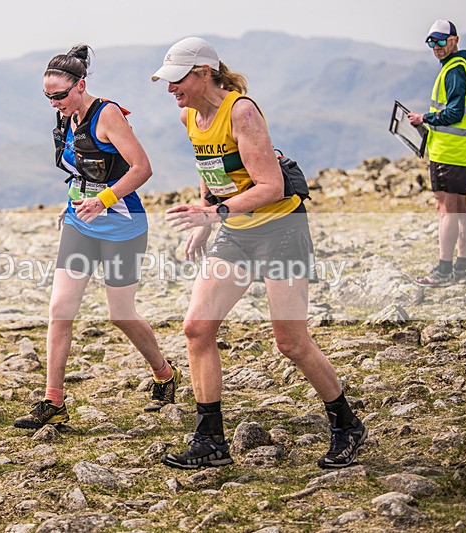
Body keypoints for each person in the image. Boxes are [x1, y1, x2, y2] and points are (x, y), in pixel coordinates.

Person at [151, 37, 367, 470]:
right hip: (237, 232)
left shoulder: (242, 111)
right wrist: (207, 217)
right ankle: (211, 441)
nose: (170, 88)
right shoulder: (189, 114)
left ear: (202, 74)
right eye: (166, 80)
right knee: (196, 329)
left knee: (290, 341)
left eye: (176, 80)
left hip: (281, 231)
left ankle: (347, 424)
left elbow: (271, 186)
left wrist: (213, 214)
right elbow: (208, 166)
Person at [13, 44, 180, 429]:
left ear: (80, 85)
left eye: (59, 95)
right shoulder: (65, 118)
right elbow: (80, 171)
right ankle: (54, 401)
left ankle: (164, 373)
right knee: (60, 310)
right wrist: (73, 202)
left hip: (123, 226)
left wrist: (103, 200)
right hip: (79, 224)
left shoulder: (107, 115)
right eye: (47, 96)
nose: (53, 102)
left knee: (120, 315)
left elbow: (142, 168)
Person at [408, 20, 466, 287]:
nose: (435, 47)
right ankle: (462, 267)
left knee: (446, 210)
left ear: (454, 40)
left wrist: (423, 117)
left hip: (449, 152)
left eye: (440, 41)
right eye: (431, 42)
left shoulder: (454, 70)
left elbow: (454, 113)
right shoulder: (464, 67)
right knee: (460, 207)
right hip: (461, 152)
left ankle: (444, 270)